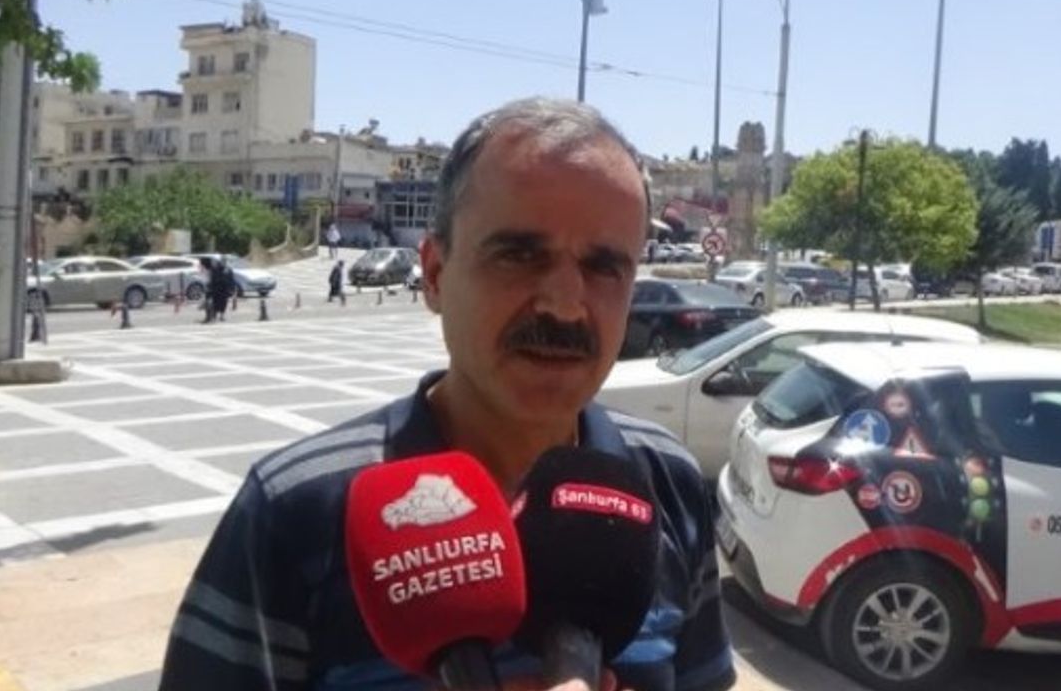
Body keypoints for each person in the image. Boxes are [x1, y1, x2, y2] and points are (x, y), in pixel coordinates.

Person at [159, 98, 736, 691]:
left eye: (605, 266)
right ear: (434, 275)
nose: (565, 305)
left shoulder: (667, 482)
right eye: (519, 255)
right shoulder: (293, 510)